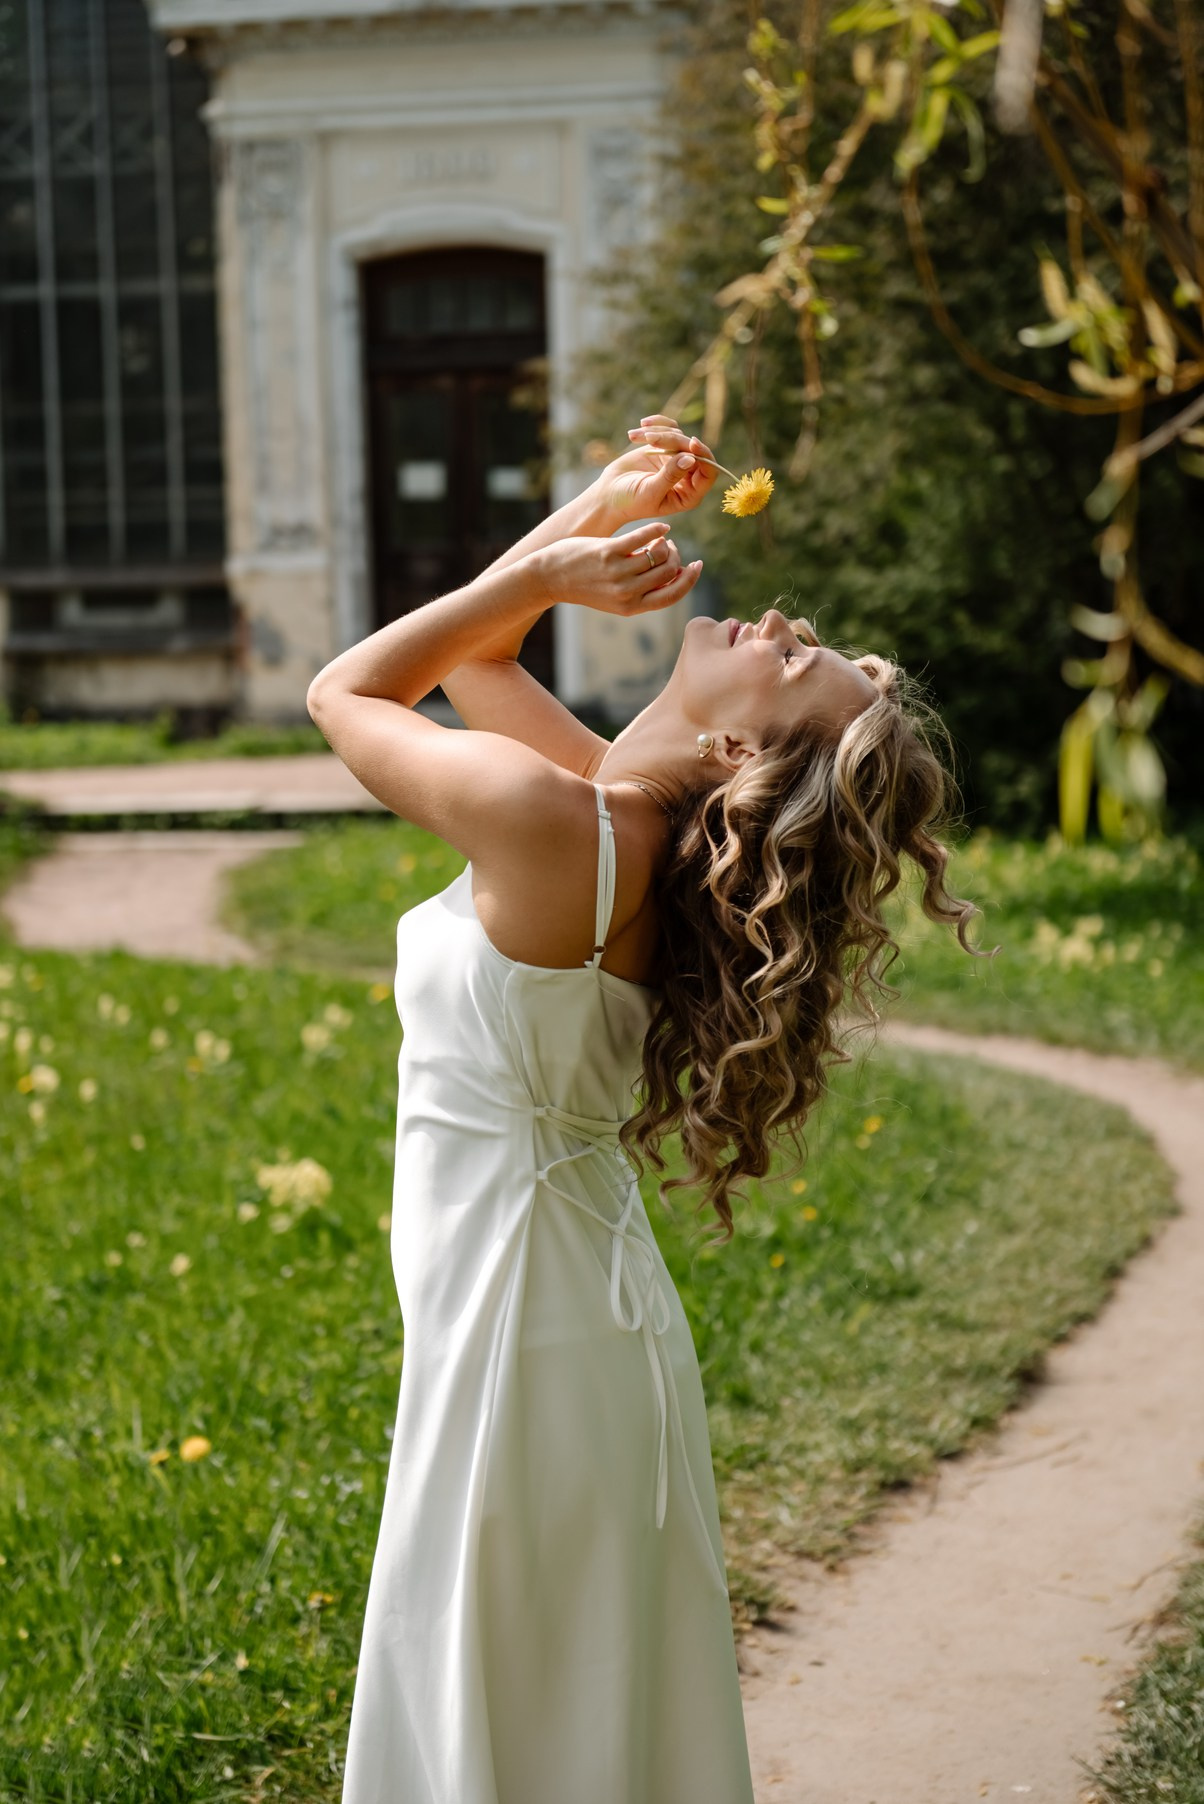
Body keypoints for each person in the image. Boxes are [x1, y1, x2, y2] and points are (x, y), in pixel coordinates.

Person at [308, 414, 980, 1804]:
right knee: (558, 1702)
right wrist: (595, 514)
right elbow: (478, 660)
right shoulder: (617, 818)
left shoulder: (565, 823)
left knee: (511, 1690)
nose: (779, 623)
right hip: (558, 1307)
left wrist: (553, 575)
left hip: (528, 1327)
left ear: (735, 746)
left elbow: (346, 690)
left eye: (792, 662)